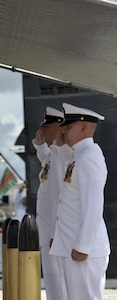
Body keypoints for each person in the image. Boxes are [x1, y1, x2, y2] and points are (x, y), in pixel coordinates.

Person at [50, 102, 110, 300]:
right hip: (72, 246)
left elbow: (93, 205)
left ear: (84, 127)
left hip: (84, 250)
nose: (64, 131)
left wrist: (83, 246)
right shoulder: (77, 156)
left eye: (68, 127)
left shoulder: (89, 157)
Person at [32, 106, 67, 299]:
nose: (43, 130)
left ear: (60, 127)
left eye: (48, 127)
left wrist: (57, 234)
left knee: (60, 286)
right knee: (53, 286)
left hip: (55, 235)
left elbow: (60, 198)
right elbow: (46, 159)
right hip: (47, 234)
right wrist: (39, 145)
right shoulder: (54, 155)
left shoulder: (63, 158)